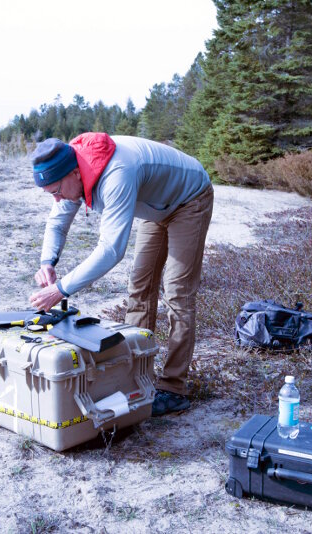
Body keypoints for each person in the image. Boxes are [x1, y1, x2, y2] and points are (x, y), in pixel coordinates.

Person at [29, 133, 213, 416]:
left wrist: (60, 289)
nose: (57, 198)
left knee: (177, 291)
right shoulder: (69, 171)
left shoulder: (116, 174)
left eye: (56, 191)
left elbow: (111, 250)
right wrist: (48, 261)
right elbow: (57, 222)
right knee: (140, 286)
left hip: (189, 198)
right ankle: (135, 374)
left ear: (75, 174)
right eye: (51, 194)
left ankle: (173, 388)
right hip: (156, 207)